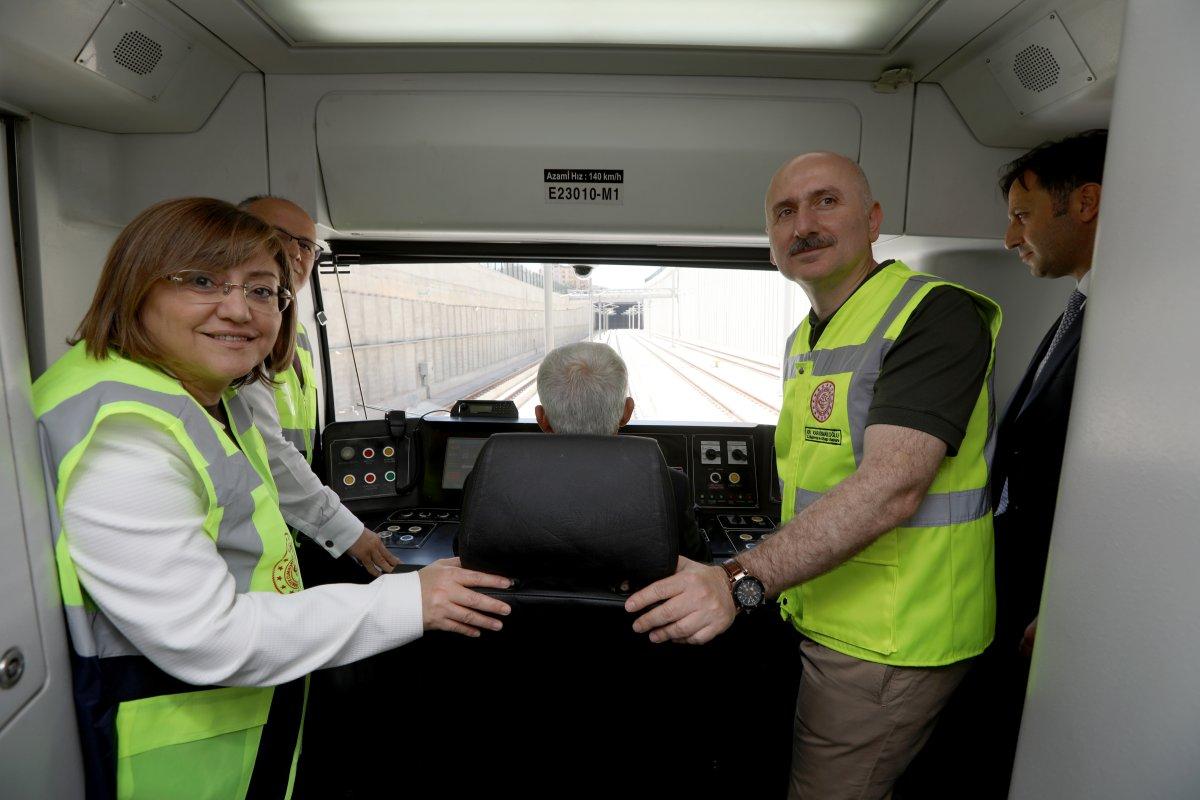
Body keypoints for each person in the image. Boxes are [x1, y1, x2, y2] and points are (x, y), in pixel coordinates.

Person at [33, 197, 512, 799]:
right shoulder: (128, 433)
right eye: (202, 280)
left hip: (234, 720)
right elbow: (210, 637)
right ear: (135, 286)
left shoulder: (204, 394)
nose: (238, 309)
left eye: (262, 291)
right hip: (178, 753)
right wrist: (407, 598)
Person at [625, 152, 1001, 799]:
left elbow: (893, 487)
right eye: (785, 211)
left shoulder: (932, 315)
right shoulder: (809, 335)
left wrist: (738, 578)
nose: (804, 224)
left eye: (826, 201)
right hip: (829, 610)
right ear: (772, 240)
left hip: (892, 635)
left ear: (874, 218)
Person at [903, 130, 1107, 798]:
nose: (1009, 238)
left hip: (1050, 599)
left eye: (1022, 216)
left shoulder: (1130, 323)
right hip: (1014, 587)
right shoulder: (1083, 305)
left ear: (1085, 203)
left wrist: (1071, 607)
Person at [236, 195, 398, 578]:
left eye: (307, 244)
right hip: (254, 529)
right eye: (278, 235)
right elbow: (269, 450)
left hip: (289, 527)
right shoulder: (237, 336)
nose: (295, 252)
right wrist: (347, 530)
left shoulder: (300, 334)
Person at [532, 341, 710, 562]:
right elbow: (698, 566)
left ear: (542, 419)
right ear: (627, 412)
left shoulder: (495, 480)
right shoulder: (672, 486)